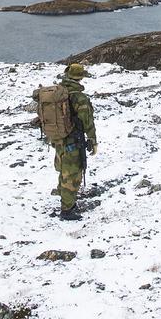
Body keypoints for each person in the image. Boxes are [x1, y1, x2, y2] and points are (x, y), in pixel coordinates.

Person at [52, 62, 97, 221]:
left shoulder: (59, 92)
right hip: (73, 140)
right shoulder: (79, 97)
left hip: (59, 139)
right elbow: (87, 121)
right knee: (72, 174)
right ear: (80, 77)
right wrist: (93, 139)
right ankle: (67, 209)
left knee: (64, 169)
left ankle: (65, 196)